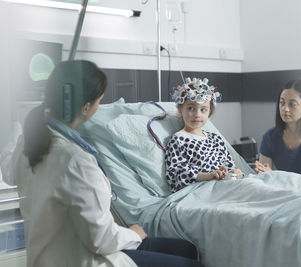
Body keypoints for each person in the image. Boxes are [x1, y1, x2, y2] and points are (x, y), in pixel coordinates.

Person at [13, 60, 203, 267]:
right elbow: (100, 239)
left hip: (50, 253)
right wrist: (133, 234)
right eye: (99, 101)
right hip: (84, 258)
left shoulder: (28, 142)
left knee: (187, 249)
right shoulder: (76, 160)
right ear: (86, 107)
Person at [165, 77, 243, 193]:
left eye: (203, 110)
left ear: (209, 112)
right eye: (191, 108)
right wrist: (207, 176)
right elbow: (175, 176)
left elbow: (230, 166)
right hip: (202, 191)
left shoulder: (216, 139)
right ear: (180, 110)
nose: (197, 114)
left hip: (227, 186)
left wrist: (236, 173)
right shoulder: (178, 140)